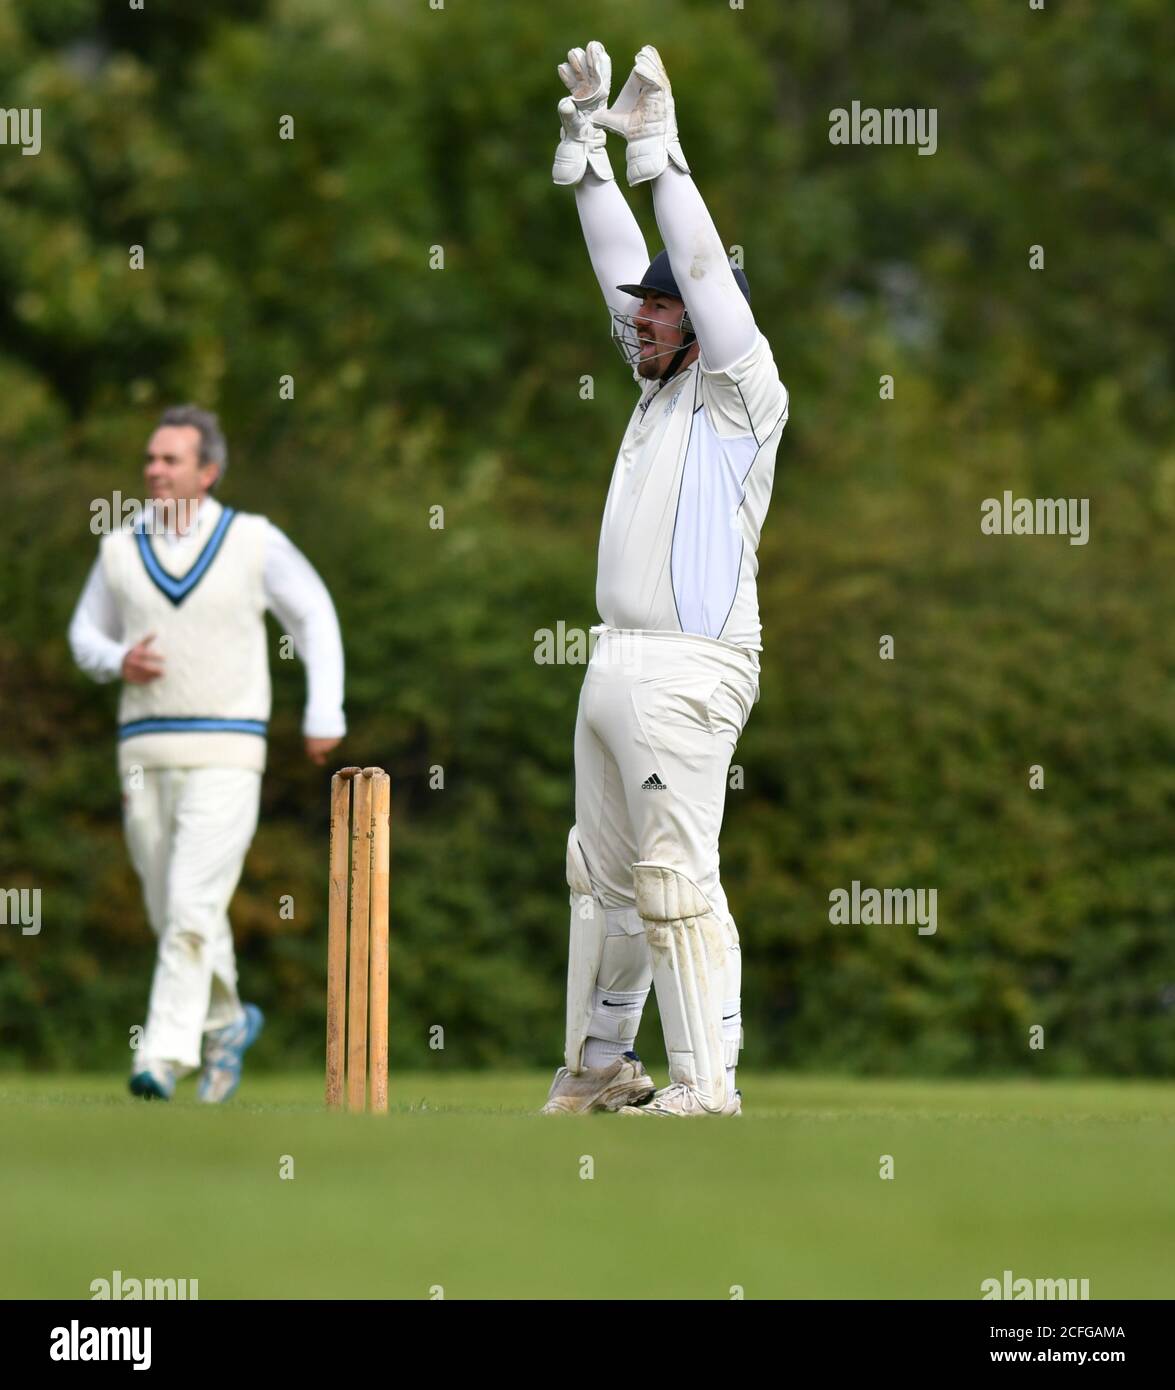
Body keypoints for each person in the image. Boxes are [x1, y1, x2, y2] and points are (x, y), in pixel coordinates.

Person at [542, 44, 789, 1116]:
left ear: (698, 325)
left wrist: (658, 153)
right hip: (614, 660)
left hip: (690, 665)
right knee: (600, 885)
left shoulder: (739, 393)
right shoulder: (654, 384)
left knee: (673, 881)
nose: (635, 318)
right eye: (635, 311)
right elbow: (630, 272)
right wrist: (589, 153)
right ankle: (598, 1070)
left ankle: (706, 1085)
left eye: (656, 310)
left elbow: (690, 270)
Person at [68, 405, 346, 1101]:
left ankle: (162, 1054)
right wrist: (116, 658)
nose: (154, 470)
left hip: (228, 746)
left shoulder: (251, 540)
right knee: (173, 910)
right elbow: (83, 635)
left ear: (208, 470)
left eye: (171, 460)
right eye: (150, 459)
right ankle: (226, 1023)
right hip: (143, 750)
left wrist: (322, 710)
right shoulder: (121, 545)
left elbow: (312, 612)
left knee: (192, 903)